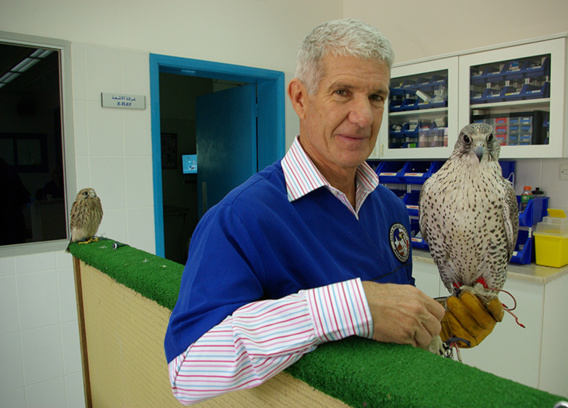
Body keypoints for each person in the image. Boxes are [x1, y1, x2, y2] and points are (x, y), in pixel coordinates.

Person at [165, 18, 501, 405]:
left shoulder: (390, 208)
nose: (364, 117)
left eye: (377, 97)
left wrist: (436, 324)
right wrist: (352, 306)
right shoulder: (241, 218)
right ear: (300, 99)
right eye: (343, 92)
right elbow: (189, 371)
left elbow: (388, 318)